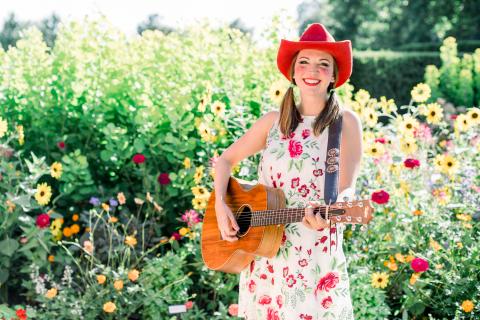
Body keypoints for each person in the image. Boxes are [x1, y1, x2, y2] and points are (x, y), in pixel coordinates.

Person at [213, 23, 363, 319]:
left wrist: (335, 209)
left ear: (334, 76)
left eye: (324, 64)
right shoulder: (272, 123)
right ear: (293, 72)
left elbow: (347, 187)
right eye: (304, 62)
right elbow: (225, 161)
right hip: (267, 255)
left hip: (316, 253)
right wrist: (220, 205)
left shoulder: (345, 123)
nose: (313, 71)